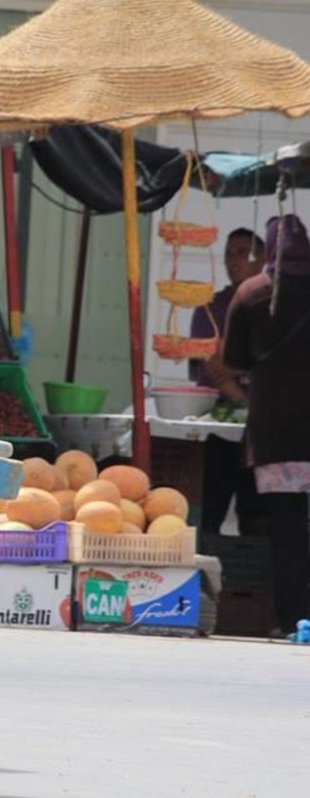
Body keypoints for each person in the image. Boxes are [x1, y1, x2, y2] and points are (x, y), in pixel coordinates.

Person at [223, 213, 310, 635]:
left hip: (276, 435)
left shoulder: (250, 293)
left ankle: (292, 619)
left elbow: (233, 360)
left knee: (287, 531)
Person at [191, 228, 266, 538]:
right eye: (229, 253)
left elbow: (271, 362)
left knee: (256, 514)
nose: (233, 260)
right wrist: (245, 397)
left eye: (243, 253)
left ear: (263, 259)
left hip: (264, 421)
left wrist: (235, 364)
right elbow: (213, 367)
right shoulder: (210, 307)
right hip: (221, 416)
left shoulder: (274, 305)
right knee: (210, 507)